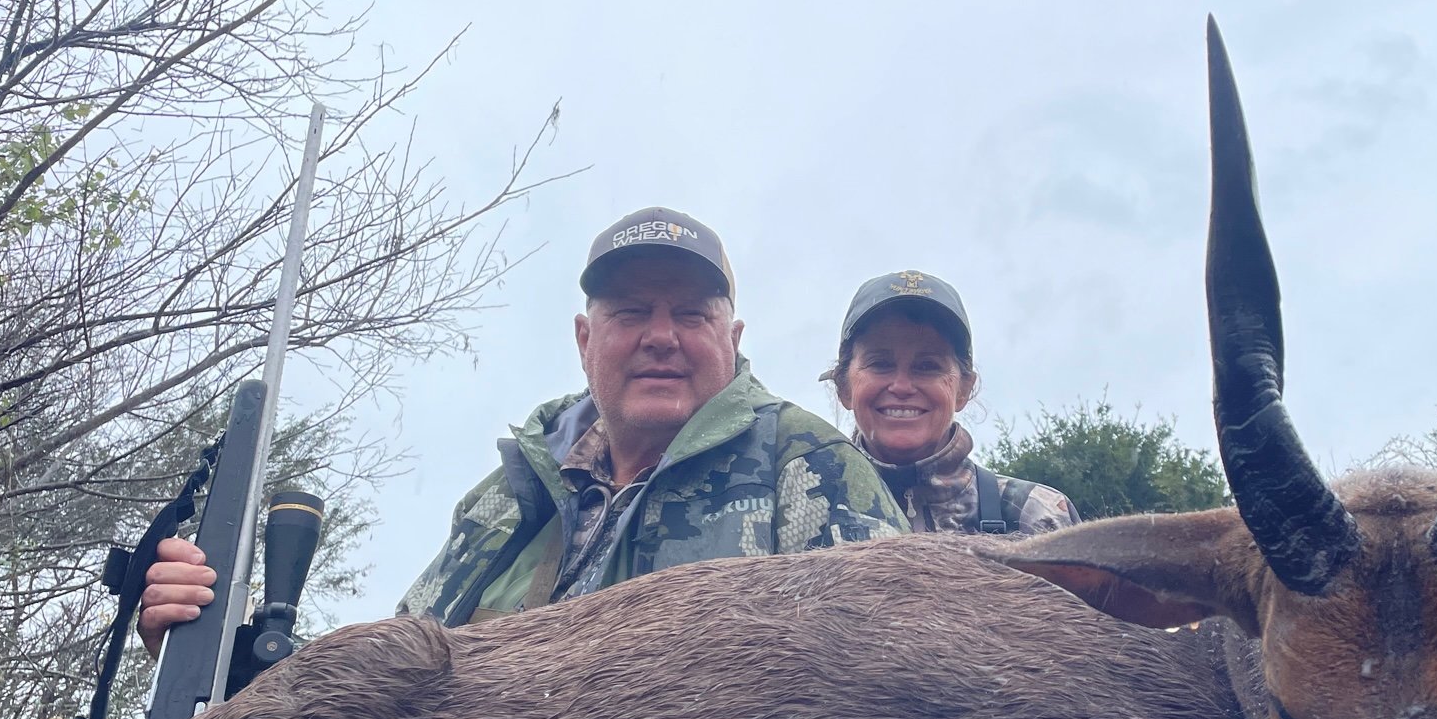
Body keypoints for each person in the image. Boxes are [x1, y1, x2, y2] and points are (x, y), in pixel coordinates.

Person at [137, 207, 908, 649]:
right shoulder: (503, 501)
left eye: (691, 314)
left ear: (732, 338)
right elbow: (394, 677)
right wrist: (213, 641)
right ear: (584, 341)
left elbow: (891, 671)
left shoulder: (810, 463)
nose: (661, 336)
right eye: (632, 312)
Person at [828, 270, 1079, 536]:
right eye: (879, 364)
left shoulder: (1039, 515)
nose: (901, 386)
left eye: (927, 366)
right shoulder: (801, 512)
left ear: (964, 389)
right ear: (844, 387)